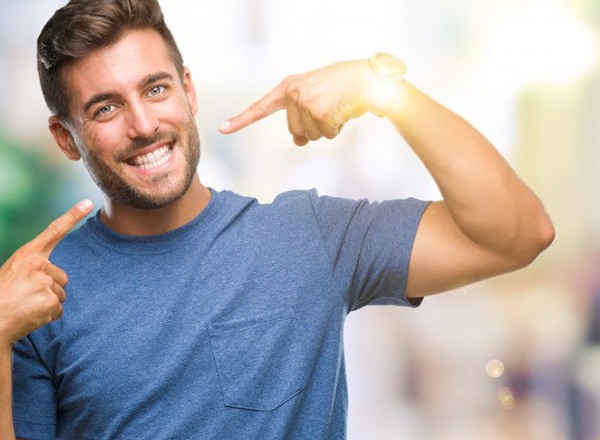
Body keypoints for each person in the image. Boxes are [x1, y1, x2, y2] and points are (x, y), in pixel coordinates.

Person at [0, 0, 555, 438]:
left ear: (189, 91)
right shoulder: (40, 297)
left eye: (156, 88)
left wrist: (387, 94)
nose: (144, 123)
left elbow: (516, 233)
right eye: (106, 107)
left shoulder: (308, 239)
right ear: (65, 139)